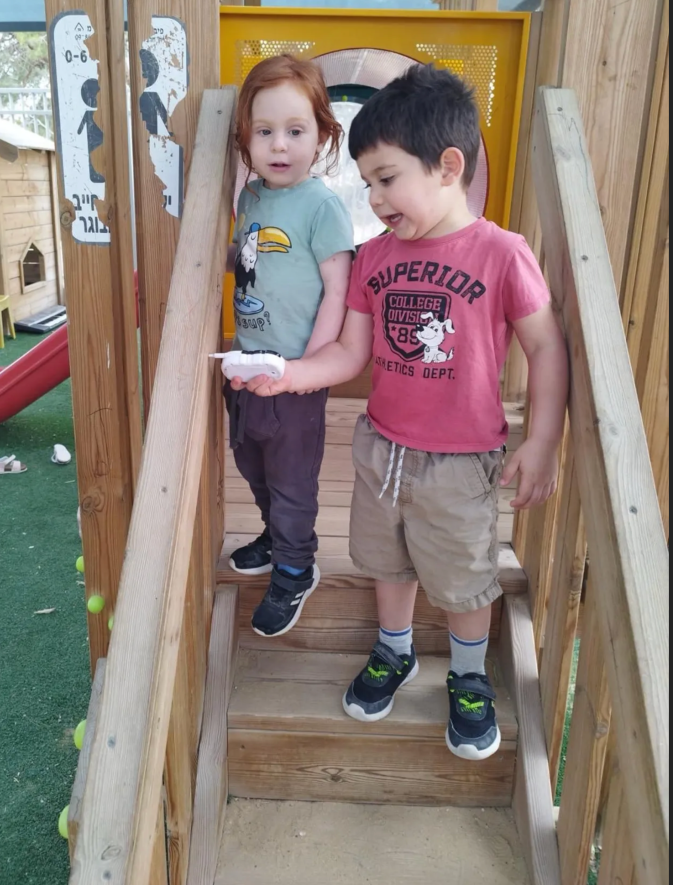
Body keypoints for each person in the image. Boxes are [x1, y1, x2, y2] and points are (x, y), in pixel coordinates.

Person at [233, 64, 568, 759]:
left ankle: (469, 676)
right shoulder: (375, 258)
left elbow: (545, 346)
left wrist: (540, 440)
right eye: (367, 183)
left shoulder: (502, 253)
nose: (375, 198)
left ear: (448, 166)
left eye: (387, 178)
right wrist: (290, 375)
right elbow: (349, 351)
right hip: (381, 447)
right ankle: (394, 650)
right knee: (387, 561)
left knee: (462, 575)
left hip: (461, 461)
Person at [224, 54, 355, 639]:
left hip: (295, 377)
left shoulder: (322, 206)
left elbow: (337, 290)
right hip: (245, 366)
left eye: (296, 131)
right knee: (251, 462)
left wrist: (310, 366)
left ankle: (297, 568)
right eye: (265, 131)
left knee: (291, 480)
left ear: (321, 135)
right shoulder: (251, 197)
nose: (279, 145)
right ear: (245, 138)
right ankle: (275, 536)